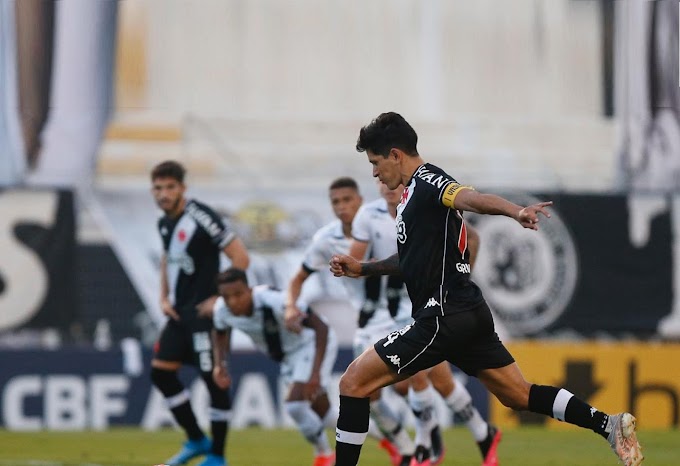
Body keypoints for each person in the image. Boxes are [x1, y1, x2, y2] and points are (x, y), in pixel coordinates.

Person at [329, 112, 644, 466]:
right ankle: (608, 425)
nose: (374, 172)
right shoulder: (412, 194)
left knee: (353, 383)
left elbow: (469, 198)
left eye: (375, 162)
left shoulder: (430, 181)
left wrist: (515, 211)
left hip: (442, 313)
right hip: (466, 311)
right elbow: (410, 261)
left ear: (396, 155)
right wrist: (364, 268)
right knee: (518, 394)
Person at [349, 179, 500, 466]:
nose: (388, 184)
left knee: (420, 376)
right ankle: (480, 433)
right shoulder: (368, 217)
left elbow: (473, 239)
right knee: (394, 385)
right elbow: (356, 265)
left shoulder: (420, 209)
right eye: (380, 178)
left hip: (417, 305)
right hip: (375, 315)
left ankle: (422, 445)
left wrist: (459, 281)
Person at [283, 177, 417, 465]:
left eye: (348, 200)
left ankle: (425, 445)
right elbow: (297, 279)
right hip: (367, 322)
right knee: (369, 394)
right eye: (336, 202)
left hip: (403, 313)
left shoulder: (387, 221)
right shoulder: (326, 239)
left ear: (360, 200)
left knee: (407, 385)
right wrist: (291, 307)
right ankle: (406, 450)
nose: (343, 207)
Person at [150, 160, 250, 466]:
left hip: (207, 318)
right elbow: (169, 258)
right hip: (180, 314)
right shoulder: (164, 222)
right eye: (157, 188)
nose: (163, 194)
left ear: (183, 188)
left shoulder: (202, 216)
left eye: (170, 187)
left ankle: (217, 457)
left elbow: (240, 258)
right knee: (161, 373)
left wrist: (218, 299)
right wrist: (164, 295)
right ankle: (196, 439)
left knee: (214, 380)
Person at [209, 267, 338, 466]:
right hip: (288, 357)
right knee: (324, 413)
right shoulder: (221, 310)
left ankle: (325, 456)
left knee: (295, 405)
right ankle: (389, 438)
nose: (233, 301)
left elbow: (321, 326)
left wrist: (315, 374)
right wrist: (220, 365)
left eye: (238, 294)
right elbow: (219, 333)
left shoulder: (274, 300)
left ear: (249, 290)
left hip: (310, 344)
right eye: (227, 297)